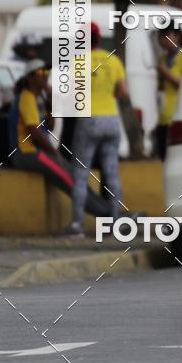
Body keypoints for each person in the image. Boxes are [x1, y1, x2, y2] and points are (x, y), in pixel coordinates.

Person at [8, 59, 110, 230]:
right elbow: (34, 131)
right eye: (40, 73)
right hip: (26, 153)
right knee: (67, 179)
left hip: (38, 151)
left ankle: (109, 210)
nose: (45, 76)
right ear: (30, 78)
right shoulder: (26, 98)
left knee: (75, 177)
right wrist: (54, 153)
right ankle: (106, 214)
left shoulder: (37, 99)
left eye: (46, 72)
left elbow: (51, 126)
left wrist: (51, 104)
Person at [68, 22, 127, 235]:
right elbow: (122, 92)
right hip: (111, 119)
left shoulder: (78, 62)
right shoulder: (114, 60)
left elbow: (70, 94)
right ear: (99, 38)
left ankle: (76, 225)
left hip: (88, 119)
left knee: (81, 173)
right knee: (111, 172)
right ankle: (114, 222)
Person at [153, 27, 182, 160]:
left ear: (177, 36)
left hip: (178, 117)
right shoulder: (162, 59)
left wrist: (166, 74)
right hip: (163, 117)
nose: (162, 40)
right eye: (160, 37)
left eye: (165, 36)